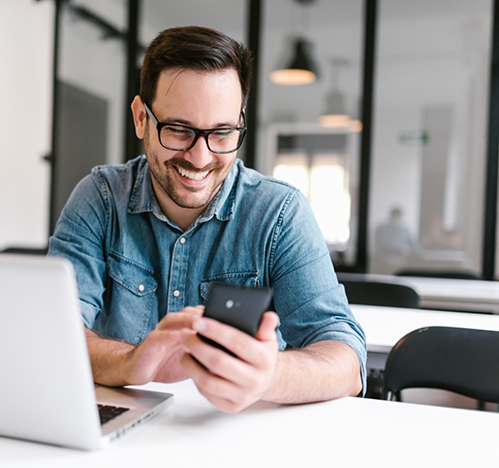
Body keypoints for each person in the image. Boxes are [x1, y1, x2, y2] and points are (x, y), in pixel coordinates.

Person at [49, 26, 366, 413]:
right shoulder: (99, 199)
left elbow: (347, 361)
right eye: (179, 130)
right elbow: (53, 331)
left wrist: (269, 375)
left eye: (221, 133)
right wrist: (131, 362)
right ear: (140, 119)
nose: (200, 158)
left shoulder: (280, 213)